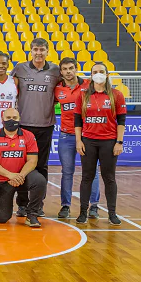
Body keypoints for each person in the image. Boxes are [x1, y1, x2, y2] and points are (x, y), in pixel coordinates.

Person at [9, 38, 60, 217]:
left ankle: (38, 205)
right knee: (22, 166)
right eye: (35, 49)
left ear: (48, 51)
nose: (39, 53)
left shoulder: (55, 71)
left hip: (45, 126)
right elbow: (5, 84)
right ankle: (22, 204)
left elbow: (69, 85)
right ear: (30, 51)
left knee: (41, 166)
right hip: (23, 126)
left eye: (42, 50)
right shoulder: (20, 68)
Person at [74, 62, 126, 226]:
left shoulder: (116, 95)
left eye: (101, 71)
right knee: (87, 177)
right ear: (91, 76)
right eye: (95, 72)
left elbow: (121, 121)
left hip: (109, 142)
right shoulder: (83, 95)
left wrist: (119, 142)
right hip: (88, 141)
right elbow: (77, 121)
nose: (98, 74)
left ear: (107, 74)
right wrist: (78, 141)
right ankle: (83, 212)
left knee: (109, 178)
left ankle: (112, 213)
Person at [55, 57, 100, 219]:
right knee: (67, 172)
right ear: (61, 72)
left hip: (87, 136)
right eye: (65, 69)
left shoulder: (89, 85)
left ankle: (94, 206)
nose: (68, 71)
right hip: (66, 135)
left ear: (76, 69)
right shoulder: (57, 89)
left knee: (91, 172)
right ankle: (65, 206)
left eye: (71, 68)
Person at [0, 108, 46, 227]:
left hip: (23, 176)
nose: (11, 120)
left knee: (40, 181)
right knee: (2, 218)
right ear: (2, 119)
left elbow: (32, 160)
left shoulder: (28, 135)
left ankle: (32, 214)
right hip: (1, 179)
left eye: (14, 118)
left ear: (19, 119)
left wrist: (20, 175)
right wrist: (10, 175)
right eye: (8, 118)